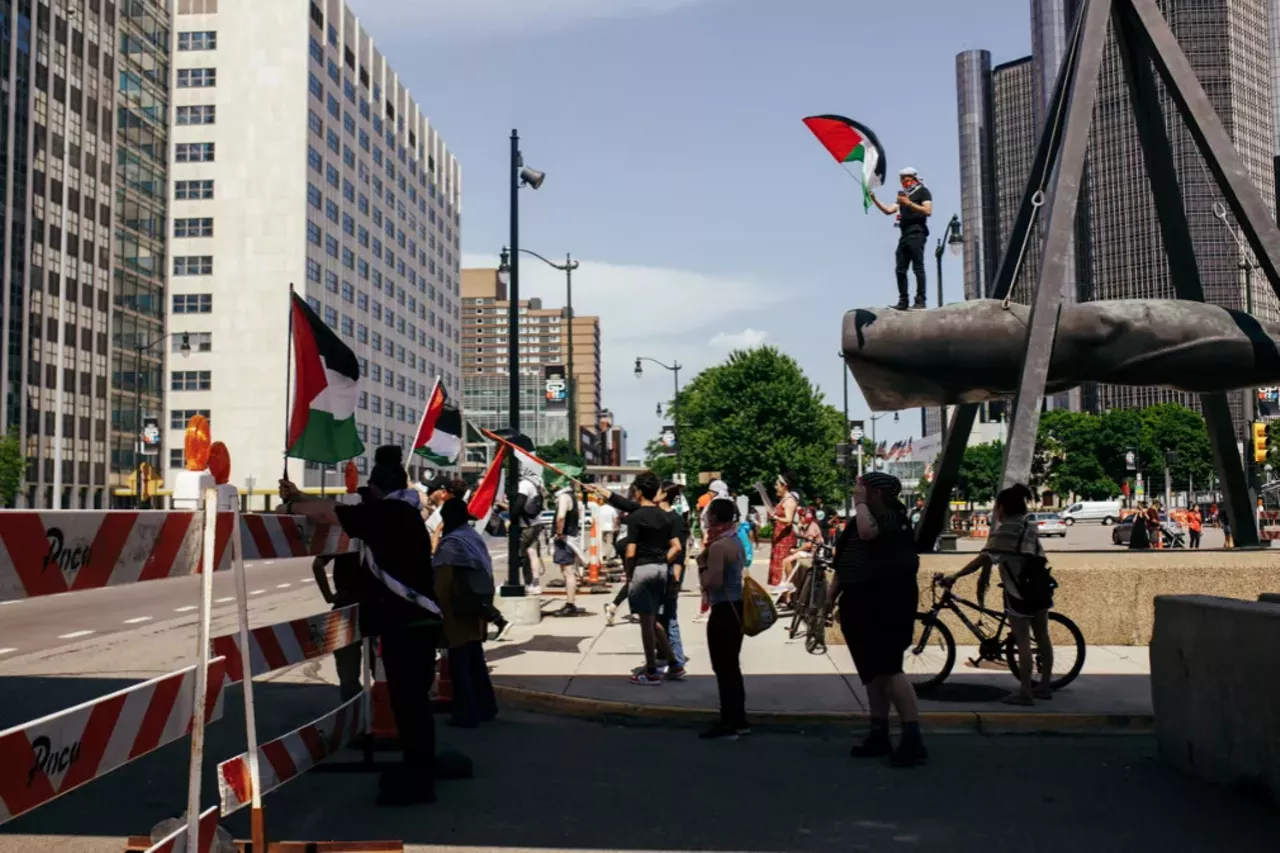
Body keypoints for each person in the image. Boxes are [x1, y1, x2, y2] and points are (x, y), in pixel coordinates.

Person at [280, 445, 440, 805]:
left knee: (409, 705)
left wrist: (292, 506)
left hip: (408, 624)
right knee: (412, 704)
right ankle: (420, 772)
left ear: (379, 490)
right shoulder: (402, 512)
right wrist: (302, 495)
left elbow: (332, 512)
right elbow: (344, 512)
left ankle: (419, 782)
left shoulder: (388, 515)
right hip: (417, 623)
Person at [834, 471, 926, 766]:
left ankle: (913, 739)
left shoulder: (892, 517)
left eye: (862, 489)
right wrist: (829, 598)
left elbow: (868, 533)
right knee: (872, 674)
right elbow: (845, 559)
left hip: (887, 602)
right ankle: (879, 733)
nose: (855, 492)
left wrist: (861, 504)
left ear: (876, 493)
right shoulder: (861, 517)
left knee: (889, 670)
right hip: (858, 601)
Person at [944, 484, 1055, 706]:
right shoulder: (1028, 527)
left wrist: (954, 576)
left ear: (1002, 507)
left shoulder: (1005, 531)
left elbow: (981, 560)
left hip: (1019, 593)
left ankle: (1026, 693)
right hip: (1041, 589)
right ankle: (1044, 686)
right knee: (1042, 637)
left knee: (1022, 642)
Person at [431, 497, 498, 728]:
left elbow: (443, 581)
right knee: (475, 660)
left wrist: (435, 608)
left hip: (456, 609)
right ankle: (486, 707)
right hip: (477, 606)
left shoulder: (450, 543)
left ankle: (466, 713)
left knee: (460, 665)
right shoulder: (473, 537)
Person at [697, 498, 748, 740]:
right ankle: (738, 717)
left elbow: (713, 581)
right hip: (737, 606)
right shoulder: (735, 540)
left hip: (723, 609)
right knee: (732, 665)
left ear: (716, 518)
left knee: (723, 666)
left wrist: (701, 566)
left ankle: (728, 721)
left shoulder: (718, 546)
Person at [624, 472, 680, 685]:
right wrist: (662, 560)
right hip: (660, 570)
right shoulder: (665, 516)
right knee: (653, 619)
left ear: (638, 491)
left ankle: (651, 671)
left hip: (643, 570)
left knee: (645, 625)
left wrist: (629, 573)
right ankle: (674, 663)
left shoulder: (636, 517)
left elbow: (630, 552)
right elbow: (677, 546)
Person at [870, 166, 933, 310]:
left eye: (907, 179)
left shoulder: (923, 192)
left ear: (914, 178)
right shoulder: (903, 196)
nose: (905, 182)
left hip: (917, 232)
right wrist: (874, 199)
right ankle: (903, 300)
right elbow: (888, 210)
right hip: (904, 235)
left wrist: (908, 203)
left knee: (918, 267)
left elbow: (928, 210)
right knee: (900, 269)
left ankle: (920, 300)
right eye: (902, 180)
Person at [311, 550, 365, 702]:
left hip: (345, 606)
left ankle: (353, 713)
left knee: (348, 674)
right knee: (383, 670)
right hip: (377, 605)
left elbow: (317, 564)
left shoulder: (343, 536)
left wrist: (329, 596)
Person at [656, 482, 689, 679]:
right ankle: (665, 654)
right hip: (661, 571)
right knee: (659, 617)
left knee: (669, 618)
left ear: (664, 495)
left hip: (667, 572)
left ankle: (676, 659)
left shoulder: (674, 519)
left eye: (658, 491)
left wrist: (676, 579)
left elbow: (679, 552)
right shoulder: (656, 516)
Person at [776, 507, 824, 609]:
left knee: (787, 561)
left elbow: (808, 545)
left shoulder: (812, 527)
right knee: (787, 561)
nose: (800, 518)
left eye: (801, 516)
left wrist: (796, 550)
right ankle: (789, 587)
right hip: (808, 553)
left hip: (813, 554)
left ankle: (791, 586)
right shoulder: (807, 526)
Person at [550, 477, 584, 617]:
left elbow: (561, 517)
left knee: (568, 572)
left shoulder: (564, 497)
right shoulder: (571, 496)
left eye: (553, 480)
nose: (551, 483)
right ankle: (570, 603)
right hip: (570, 538)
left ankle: (570, 605)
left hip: (565, 539)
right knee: (567, 572)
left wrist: (558, 533)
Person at [768, 472, 800, 588]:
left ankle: (789, 595)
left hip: (785, 539)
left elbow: (789, 519)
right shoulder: (783, 500)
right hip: (779, 538)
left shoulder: (789, 501)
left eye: (777, 485)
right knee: (779, 566)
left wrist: (776, 517)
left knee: (784, 567)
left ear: (784, 485)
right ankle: (783, 594)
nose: (776, 487)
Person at [595, 494, 619, 563]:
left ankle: (602, 556)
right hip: (609, 528)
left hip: (601, 528)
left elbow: (596, 518)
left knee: (603, 542)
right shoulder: (612, 509)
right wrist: (615, 527)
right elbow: (615, 519)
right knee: (609, 543)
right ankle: (608, 557)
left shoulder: (599, 508)